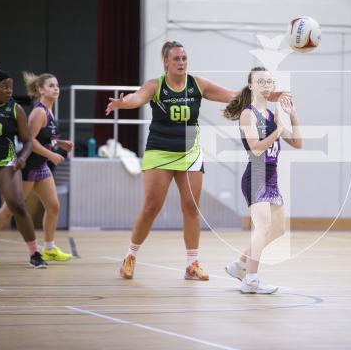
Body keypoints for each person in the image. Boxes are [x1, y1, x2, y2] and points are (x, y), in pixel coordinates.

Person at [106, 41, 289, 280]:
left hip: (190, 149)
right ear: (166, 62)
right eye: (176, 59)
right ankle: (130, 255)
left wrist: (263, 93)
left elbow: (231, 96)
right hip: (159, 150)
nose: (181, 62)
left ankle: (192, 264)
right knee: (152, 207)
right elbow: (137, 98)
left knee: (191, 207)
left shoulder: (197, 84)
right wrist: (123, 102)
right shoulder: (156, 85)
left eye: (184, 58)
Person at [0, 72, 74, 265]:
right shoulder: (39, 112)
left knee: (53, 206)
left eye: (57, 85)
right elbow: (30, 141)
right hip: (28, 167)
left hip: (41, 167)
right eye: (51, 85)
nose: (56, 88)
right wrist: (52, 155)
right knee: (9, 210)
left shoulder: (50, 110)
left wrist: (60, 143)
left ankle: (49, 248)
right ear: (40, 90)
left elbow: (46, 137)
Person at [223, 67, 302, 294]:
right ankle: (251, 279)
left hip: (271, 176)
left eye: (270, 82)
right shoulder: (249, 114)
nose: (267, 86)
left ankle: (240, 264)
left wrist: (292, 115)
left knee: (277, 230)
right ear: (251, 86)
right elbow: (256, 149)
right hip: (256, 173)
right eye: (261, 82)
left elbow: (297, 143)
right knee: (263, 227)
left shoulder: (271, 116)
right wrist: (277, 131)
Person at [0, 67, 46, 268]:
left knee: (18, 206)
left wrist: (22, 157)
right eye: (5, 86)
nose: (10, 90)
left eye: (11, 86)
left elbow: (28, 141)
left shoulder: (15, 110)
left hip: (6, 162)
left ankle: (34, 253)